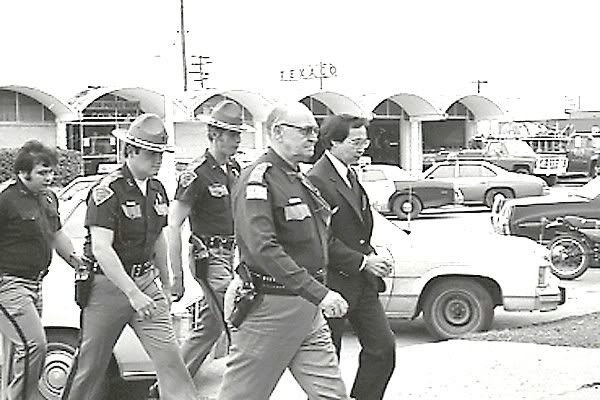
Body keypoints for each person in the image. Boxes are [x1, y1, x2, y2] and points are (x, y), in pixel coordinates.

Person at [217, 103, 353, 400]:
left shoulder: (296, 178)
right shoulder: (260, 178)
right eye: (305, 131)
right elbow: (263, 248)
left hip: (306, 307)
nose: (312, 138)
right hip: (271, 307)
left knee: (331, 395)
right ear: (278, 132)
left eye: (315, 131)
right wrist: (319, 293)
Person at [62, 114, 197, 400]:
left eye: (160, 153)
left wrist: (166, 279)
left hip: (146, 282)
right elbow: (101, 248)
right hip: (108, 289)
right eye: (150, 154)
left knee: (171, 360)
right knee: (90, 365)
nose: (157, 160)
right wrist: (132, 293)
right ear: (130, 152)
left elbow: (158, 236)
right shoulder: (107, 191)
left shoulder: (157, 189)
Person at [147, 100, 247, 398]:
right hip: (210, 256)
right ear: (214, 133)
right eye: (232, 134)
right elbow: (173, 224)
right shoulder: (197, 173)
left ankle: (164, 387)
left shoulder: (233, 168)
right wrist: (176, 275)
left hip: (232, 254)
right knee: (236, 321)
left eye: (239, 134)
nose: (237, 140)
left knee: (209, 328)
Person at [307, 114, 396, 400]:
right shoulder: (316, 179)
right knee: (327, 362)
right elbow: (320, 238)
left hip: (362, 281)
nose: (363, 148)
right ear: (333, 142)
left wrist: (373, 255)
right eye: (356, 142)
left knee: (382, 349)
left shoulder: (351, 174)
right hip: (332, 282)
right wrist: (362, 260)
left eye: (365, 141)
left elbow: (357, 229)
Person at [0, 140, 83, 400]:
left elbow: (57, 235)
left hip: (36, 284)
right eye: (42, 173)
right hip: (9, 285)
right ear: (23, 173)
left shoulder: (49, 198)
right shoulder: (6, 201)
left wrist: (77, 262)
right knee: (34, 344)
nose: (49, 177)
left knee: (17, 351)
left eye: (51, 171)